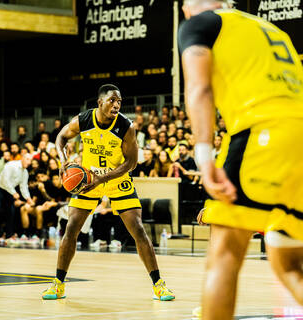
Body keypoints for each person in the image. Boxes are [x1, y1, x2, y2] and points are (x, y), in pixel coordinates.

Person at [178, 0, 303, 319]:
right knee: (288, 262)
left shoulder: (202, 24)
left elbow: (199, 88)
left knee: (224, 255)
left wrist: (204, 156)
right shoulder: (272, 29)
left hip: (262, 134)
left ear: (189, 7)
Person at [42, 84, 175, 301]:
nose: (116, 105)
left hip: (117, 179)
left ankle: (159, 285)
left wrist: (102, 179)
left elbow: (131, 163)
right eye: (112, 100)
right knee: (71, 227)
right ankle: (58, 284)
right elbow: (60, 137)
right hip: (88, 179)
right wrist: (63, 160)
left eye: (119, 102)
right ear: (100, 102)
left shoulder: (126, 126)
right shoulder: (83, 120)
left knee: (138, 229)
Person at [0, 153, 34, 245]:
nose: (29, 162)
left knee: (11, 212)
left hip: (9, 191)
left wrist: (28, 198)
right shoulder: (11, 165)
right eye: (27, 159)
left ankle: (8, 236)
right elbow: (5, 180)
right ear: (22, 158)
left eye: (30, 160)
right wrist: (13, 192)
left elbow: (23, 187)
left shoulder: (25, 172)